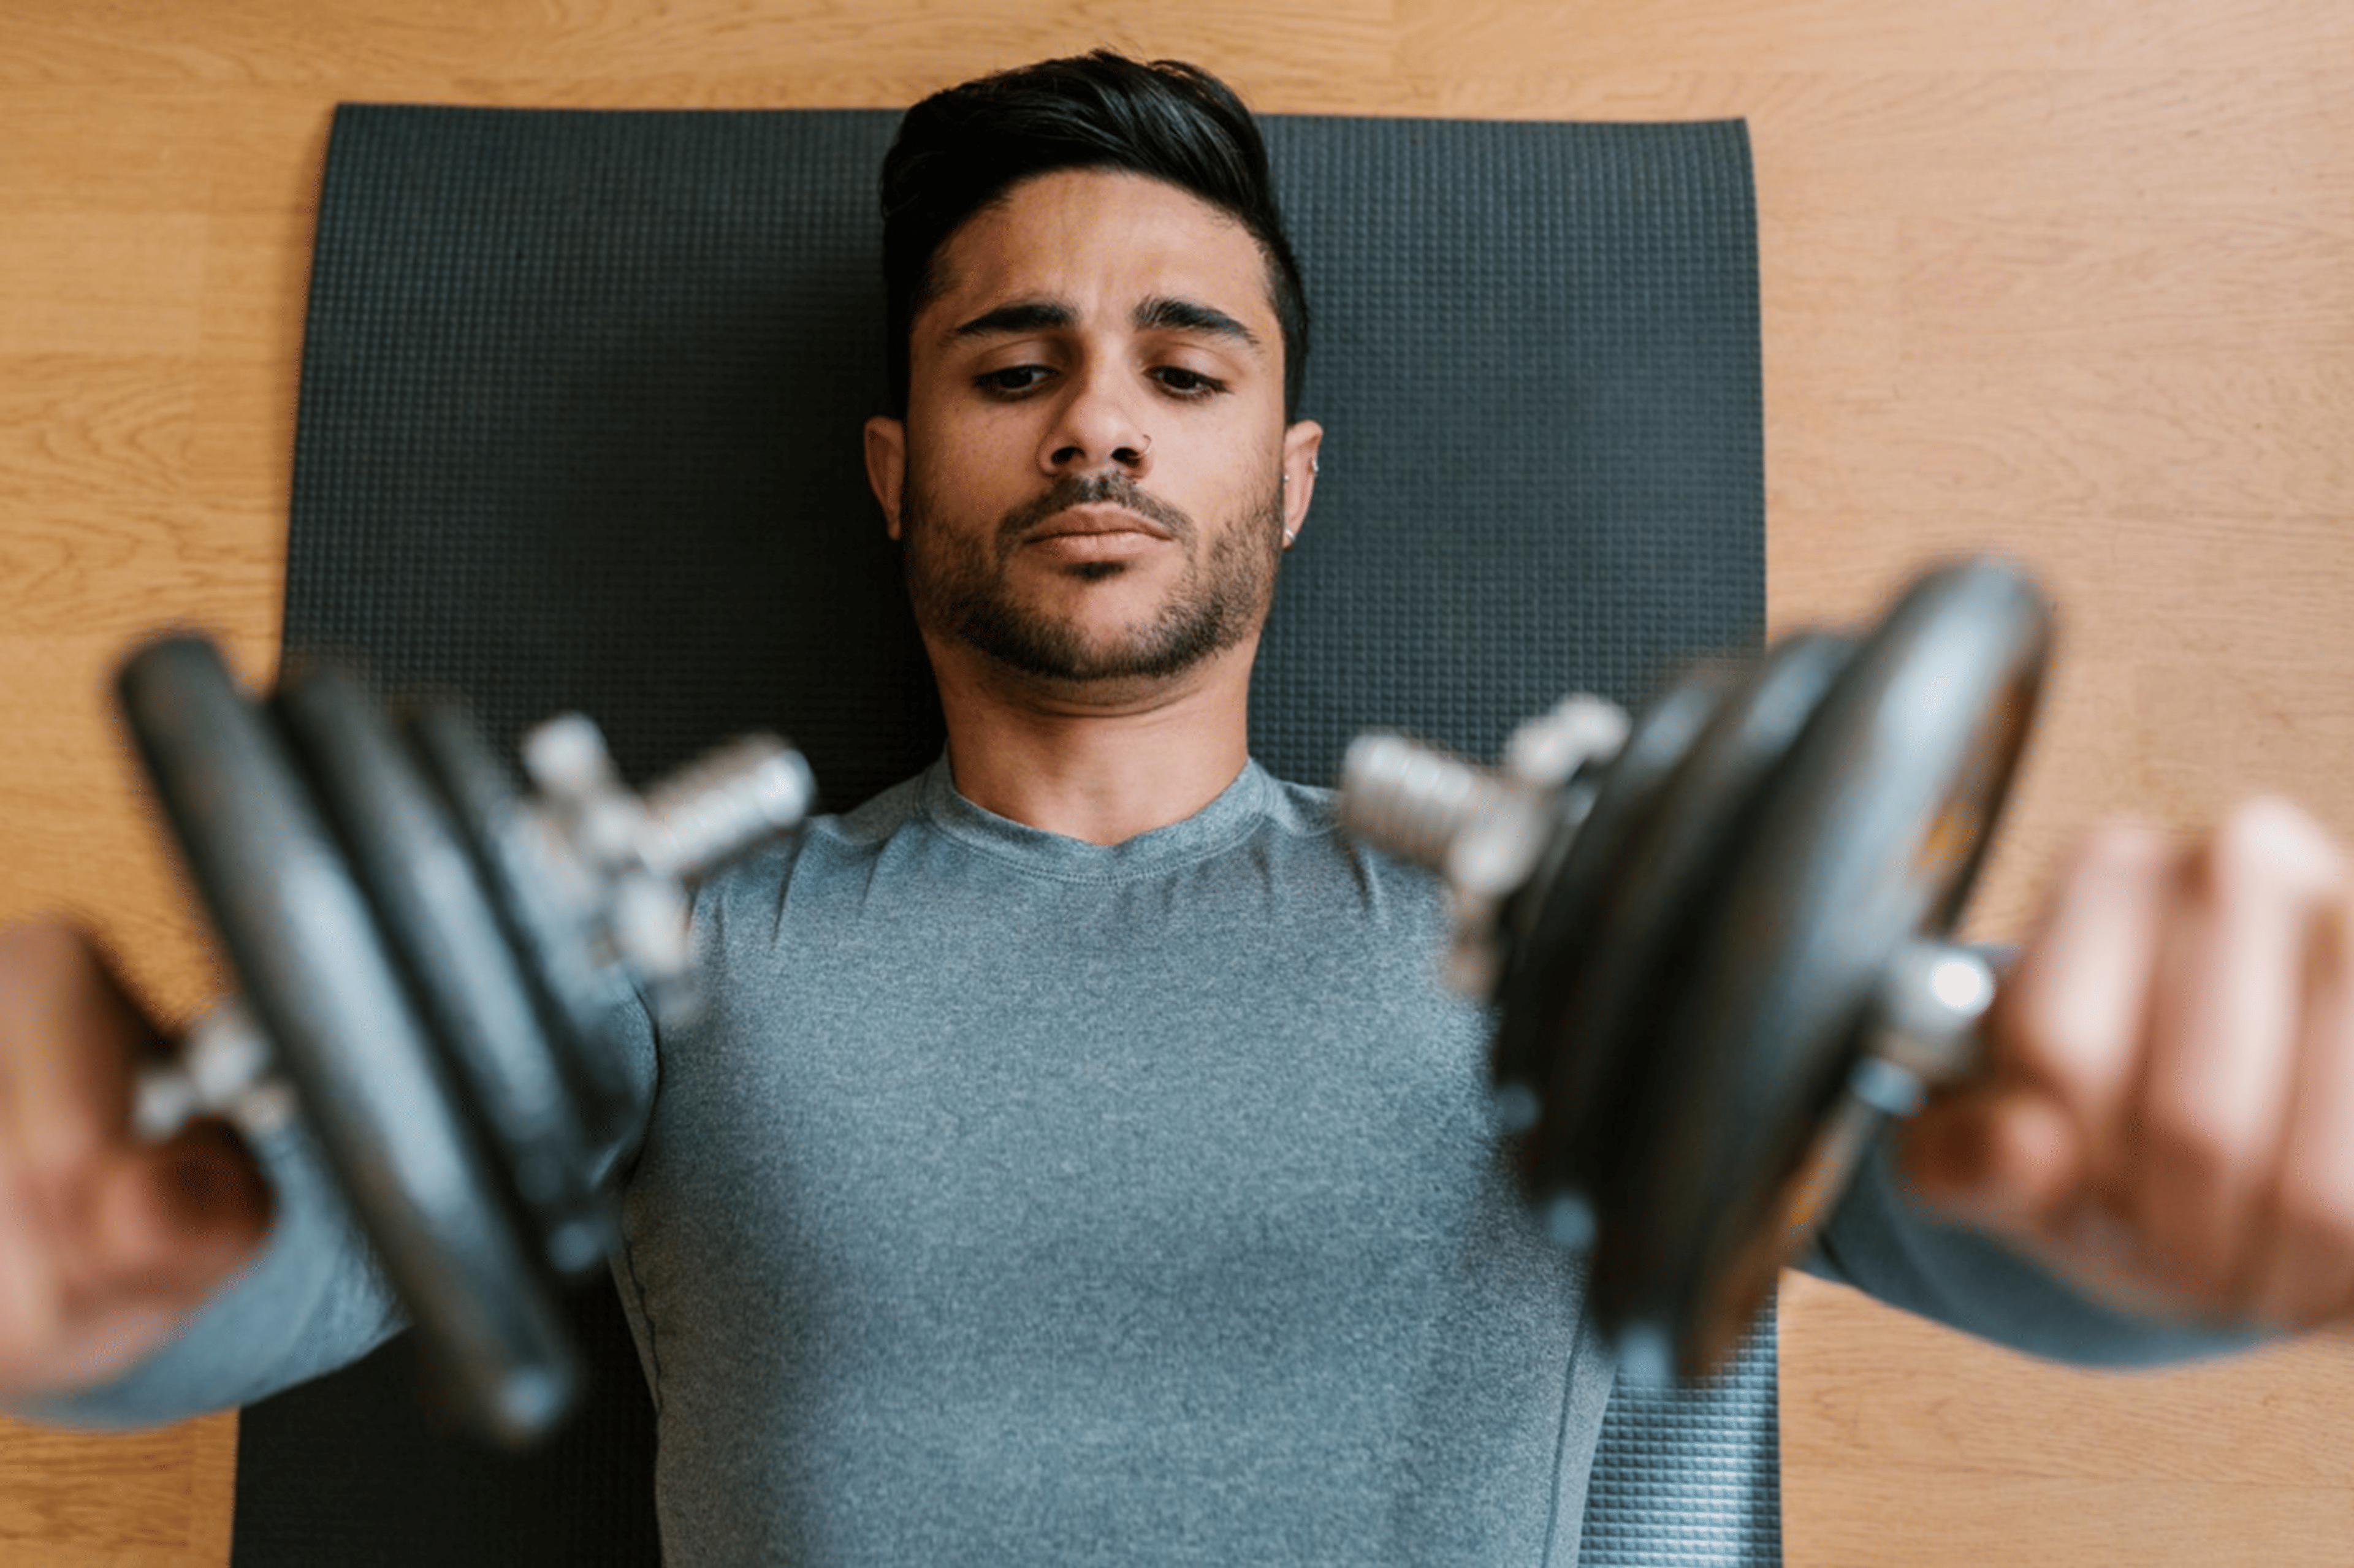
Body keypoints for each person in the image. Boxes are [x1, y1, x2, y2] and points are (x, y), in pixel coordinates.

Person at [3, 50, 2352, 1564]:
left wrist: (2163, 1232)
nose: (1099, 426)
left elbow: (1966, 1190)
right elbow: (288, 1225)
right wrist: (102, 1285)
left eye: (1183, 366)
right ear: (898, 467)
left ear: (1291, 475)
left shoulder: (1564, 933)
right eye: (1013, 366)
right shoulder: (679, 939)